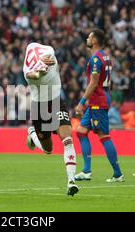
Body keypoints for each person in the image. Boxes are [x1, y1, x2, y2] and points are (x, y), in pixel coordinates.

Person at [23, 42, 79, 196]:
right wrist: (39, 72)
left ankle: (71, 181)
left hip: (56, 102)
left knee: (68, 140)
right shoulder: (28, 73)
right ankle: (33, 134)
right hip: (39, 108)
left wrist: (45, 63)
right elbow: (31, 75)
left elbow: (48, 53)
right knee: (49, 149)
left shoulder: (47, 51)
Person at [75, 29, 124, 183]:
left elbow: (94, 82)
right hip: (98, 100)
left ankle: (118, 174)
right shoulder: (105, 56)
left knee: (103, 135)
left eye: (89, 36)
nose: (87, 38)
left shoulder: (96, 59)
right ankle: (86, 171)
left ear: (95, 40)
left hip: (98, 101)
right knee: (81, 131)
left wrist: (82, 102)